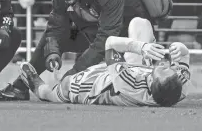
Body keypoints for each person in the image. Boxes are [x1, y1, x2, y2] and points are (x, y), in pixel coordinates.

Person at [2, 0, 155, 100]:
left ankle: (57, 90)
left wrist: (73, 73)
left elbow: (105, 40)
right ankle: (21, 86)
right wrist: (52, 53)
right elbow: (55, 28)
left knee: (104, 83)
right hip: (97, 35)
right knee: (51, 38)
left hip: (126, 40)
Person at [19, 17, 191, 107]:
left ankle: (34, 82)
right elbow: (184, 57)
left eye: (161, 69)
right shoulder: (178, 88)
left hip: (94, 86)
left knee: (59, 91)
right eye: (169, 68)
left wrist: (142, 47)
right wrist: (180, 48)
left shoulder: (130, 85)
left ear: (152, 81)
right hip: (131, 70)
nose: (163, 64)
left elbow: (110, 43)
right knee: (140, 23)